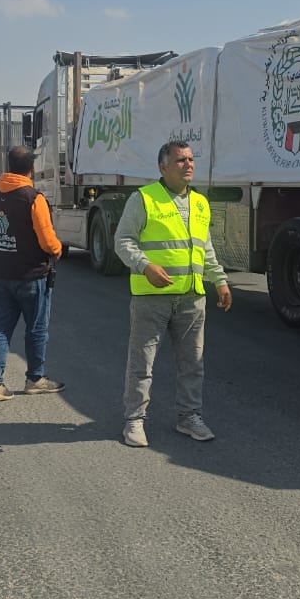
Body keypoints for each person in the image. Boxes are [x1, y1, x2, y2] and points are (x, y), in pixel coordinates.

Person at [114, 140, 232, 447]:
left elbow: (204, 248)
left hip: (192, 297)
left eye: (191, 159)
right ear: (163, 167)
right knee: (142, 362)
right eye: (181, 160)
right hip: (151, 298)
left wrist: (219, 280)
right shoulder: (144, 199)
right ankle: (134, 421)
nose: (188, 165)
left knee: (193, 362)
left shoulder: (200, 203)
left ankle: (188, 417)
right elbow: (123, 241)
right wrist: (145, 266)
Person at [0, 145, 65, 402]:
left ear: (8, 164)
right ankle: (35, 378)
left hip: (1, 273)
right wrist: (57, 249)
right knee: (36, 328)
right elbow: (46, 239)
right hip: (31, 275)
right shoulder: (33, 198)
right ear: (32, 168)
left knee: (1, 327)